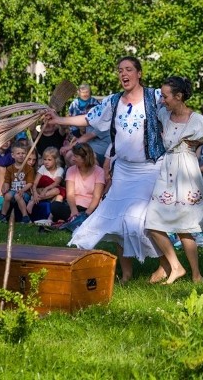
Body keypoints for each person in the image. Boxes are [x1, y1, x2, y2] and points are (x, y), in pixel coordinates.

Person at [47, 56, 165, 283]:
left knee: (137, 220)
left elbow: (178, 107)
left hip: (150, 168)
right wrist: (58, 119)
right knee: (113, 221)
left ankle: (167, 265)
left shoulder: (156, 96)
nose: (124, 74)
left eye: (129, 69)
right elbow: (88, 119)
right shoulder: (113, 101)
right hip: (123, 171)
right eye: (120, 70)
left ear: (139, 73)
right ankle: (127, 273)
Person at [145, 76, 203, 284]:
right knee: (152, 222)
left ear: (179, 96)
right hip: (167, 171)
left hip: (186, 174)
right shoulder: (163, 113)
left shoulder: (197, 119)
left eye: (166, 96)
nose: (162, 100)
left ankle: (196, 275)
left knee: (185, 227)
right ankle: (175, 266)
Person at [0, 141, 35, 223]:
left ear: (26, 155)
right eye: (18, 153)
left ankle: (25, 217)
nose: (21, 155)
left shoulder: (29, 168)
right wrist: (5, 188)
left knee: (18, 196)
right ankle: (3, 215)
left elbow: (30, 183)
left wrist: (22, 190)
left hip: (25, 192)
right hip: (13, 190)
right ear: (12, 155)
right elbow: (7, 181)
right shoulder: (10, 168)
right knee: (7, 196)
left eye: (23, 153)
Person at [27, 147, 65, 216]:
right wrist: (35, 192)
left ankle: (50, 217)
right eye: (44, 159)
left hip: (51, 192)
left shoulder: (60, 170)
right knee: (39, 187)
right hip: (41, 191)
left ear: (56, 160)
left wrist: (46, 189)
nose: (46, 162)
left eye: (49, 160)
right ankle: (34, 199)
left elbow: (56, 183)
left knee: (58, 194)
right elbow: (35, 183)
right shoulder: (42, 168)